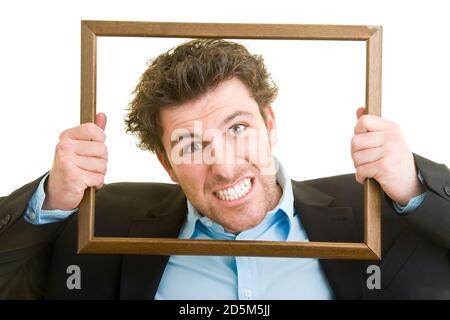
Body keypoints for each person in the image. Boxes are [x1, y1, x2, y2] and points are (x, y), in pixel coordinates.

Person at [0, 39, 448, 300]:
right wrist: (54, 201)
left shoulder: (377, 209)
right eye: (190, 144)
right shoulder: (103, 219)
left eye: (237, 128)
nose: (225, 166)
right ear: (166, 164)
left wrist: (412, 185)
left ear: (270, 124)